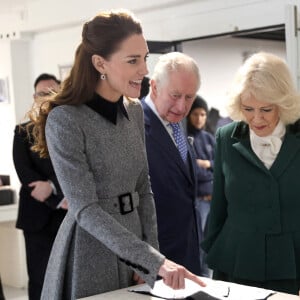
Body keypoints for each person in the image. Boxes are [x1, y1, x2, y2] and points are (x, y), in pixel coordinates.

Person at [27, 10, 205, 300]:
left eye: (145, 58)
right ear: (100, 63)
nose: (144, 70)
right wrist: (152, 260)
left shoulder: (134, 111)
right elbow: (85, 208)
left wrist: (150, 255)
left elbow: (142, 188)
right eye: (133, 60)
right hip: (89, 253)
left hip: (136, 246)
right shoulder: (65, 120)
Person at [201, 52, 300, 295]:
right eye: (248, 108)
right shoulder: (226, 137)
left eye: (266, 109)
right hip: (237, 260)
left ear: (283, 103)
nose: (256, 118)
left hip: (291, 263)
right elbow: (219, 207)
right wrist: (213, 250)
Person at [141, 52, 202, 276]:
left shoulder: (176, 125)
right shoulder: (133, 126)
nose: (182, 106)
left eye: (189, 97)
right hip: (155, 263)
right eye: (175, 95)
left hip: (188, 256)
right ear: (154, 87)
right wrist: (142, 260)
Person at [13, 73, 67, 300]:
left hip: (66, 216)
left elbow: (72, 168)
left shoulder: (68, 128)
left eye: (51, 93)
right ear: (34, 97)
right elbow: (25, 173)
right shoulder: (22, 131)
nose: (46, 98)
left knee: (66, 279)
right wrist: (55, 194)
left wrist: (53, 186)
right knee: (39, 278)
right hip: (36, 219)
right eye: (41, 94)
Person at [186, 95, 215, 234]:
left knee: (214, 240)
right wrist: (212, 173)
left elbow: (223, 164)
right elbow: (193, 171)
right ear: (189, 115)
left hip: (215, 200)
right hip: (199, 201)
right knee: (199, 240)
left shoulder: (209, 138)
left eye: (202, 114)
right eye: (195, 114)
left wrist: (208, 163)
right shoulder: (186, 139)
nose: (199, 118)